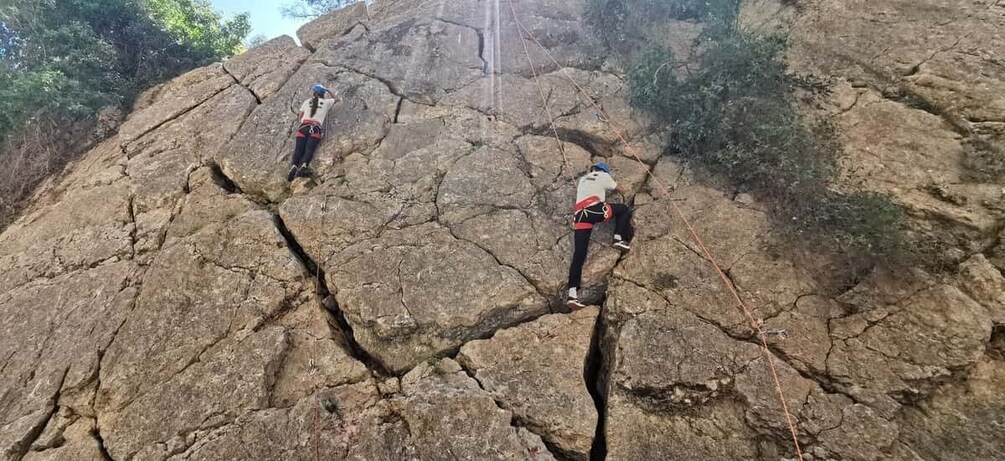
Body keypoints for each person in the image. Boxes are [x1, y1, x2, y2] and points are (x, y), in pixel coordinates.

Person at [567, 162, 633, 309]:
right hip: (594, 211)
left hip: (579, 216)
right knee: (623, 209)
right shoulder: (604, 176)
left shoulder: (583, 179)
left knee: (579, 255)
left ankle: (572, 294)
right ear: (604, 171)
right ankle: (618, 238)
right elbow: (620, 189)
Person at [288, 84, 341, 182]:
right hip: (316, 129)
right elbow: (336, 99)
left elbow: (300, 115)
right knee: (309, 150)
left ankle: (294, 166)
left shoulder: (307, 102)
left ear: (314, 93)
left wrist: (301, 121)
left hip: (303, 127)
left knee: (299, 150)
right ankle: (304, 166)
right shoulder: (326, 103)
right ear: (322, 94)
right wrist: (328, 90)